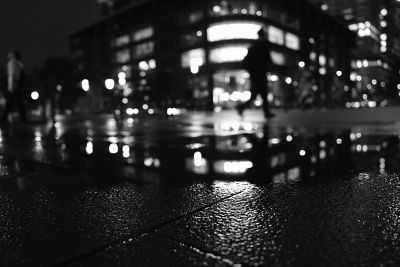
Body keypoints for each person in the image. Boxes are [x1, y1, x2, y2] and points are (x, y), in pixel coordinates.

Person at [236, 28, 275, 119]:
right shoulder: (263, 44)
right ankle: (265, 112)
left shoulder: (254, 45)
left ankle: (242, 108)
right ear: (263, 35)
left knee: (256, 94)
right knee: (262, 92)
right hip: (260, 72)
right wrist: (273, 67)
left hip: (254, 73)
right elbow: (267, 58)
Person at [1, 50, 27, 124]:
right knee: (19, 102)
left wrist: (12, 86)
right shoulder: (18, 64)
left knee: (10, 103)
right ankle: (23, 119)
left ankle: (3, 119)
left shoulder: (12, 63)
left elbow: (12, 75)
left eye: (11, 54)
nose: (8, 54)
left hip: (13, 86)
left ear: (13, 55)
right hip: (17, 85)